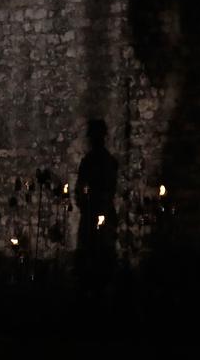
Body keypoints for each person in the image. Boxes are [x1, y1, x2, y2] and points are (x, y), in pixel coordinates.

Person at [74, 118, 118, 302]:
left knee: (101, 253)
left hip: (99, 212)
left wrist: (90, 202)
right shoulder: (94, 161)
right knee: (92, 254)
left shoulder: (105, 162)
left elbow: (106, 188)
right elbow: (81, 188)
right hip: (94, 212)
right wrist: (85, 202)